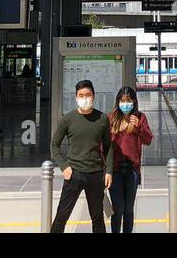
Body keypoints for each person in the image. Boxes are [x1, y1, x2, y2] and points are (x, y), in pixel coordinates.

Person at [49, 80, 112, 233]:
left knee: (97, 218)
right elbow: (54, 145)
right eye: (81, 95)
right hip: (74, 174)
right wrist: (64, 167)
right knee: (62, 215)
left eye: (88, 95)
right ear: (76, 97)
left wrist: (108, 171)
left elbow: (109, 147)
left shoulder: (102, 119)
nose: (85, 98)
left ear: (94, 97)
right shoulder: (68, 119)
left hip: (96, 175)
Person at [107, 85, 153, 233]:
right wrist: (116, 131)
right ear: (118, 101)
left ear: (134, 102)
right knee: (118, 207)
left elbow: (148, 140)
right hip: (115, 168)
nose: (125, 104)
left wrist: (138, 127)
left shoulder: (140, 117)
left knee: (128, 208)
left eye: (129, 100)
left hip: (132, 169)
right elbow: (103, 144)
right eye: (122, 100)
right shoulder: (111, 118)